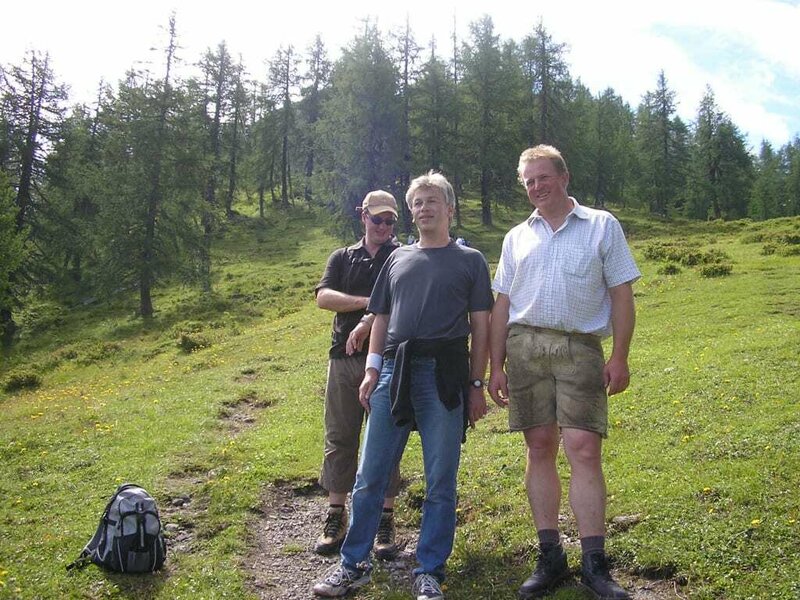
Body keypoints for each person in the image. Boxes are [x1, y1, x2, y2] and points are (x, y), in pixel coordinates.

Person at [313, 172, 494, 600]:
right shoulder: (397, 259)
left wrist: (476, 383)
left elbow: (481, 327)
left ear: (449, 208)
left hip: (445, 374)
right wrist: (373, 370)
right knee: (370, 473)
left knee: (440, 478)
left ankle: (429, 570)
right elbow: (382, 317)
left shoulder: (470, 261)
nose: (424, 209)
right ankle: (352, 564)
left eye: (432, 201)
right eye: (417, 203)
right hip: (394, 370)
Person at [488, 145, 640, 600]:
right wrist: (496, 366)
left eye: (543, 177)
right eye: (529, 181)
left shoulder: (601, 225)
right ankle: (550, 554)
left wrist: (620, 356)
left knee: (583, 448)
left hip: (580, 348)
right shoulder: (516, 236)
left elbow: (621, 294)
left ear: (564, 176)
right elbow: (501, 305)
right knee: (539, 447)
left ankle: (595, 562)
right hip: (525, 348)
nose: (536, 186)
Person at [313, 190, 403, 559]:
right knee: (340, 434)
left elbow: (404, 298)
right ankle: (336, 511)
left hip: (389, 358)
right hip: (343, 358)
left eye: (389, 220)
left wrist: (369, 322)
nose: (382, 226)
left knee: (385, 440)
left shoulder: (402, 256)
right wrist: (369, 302)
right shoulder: (342, 257)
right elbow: (323, 297)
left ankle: (386, 517)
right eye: (376, 219)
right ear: (362, 216)